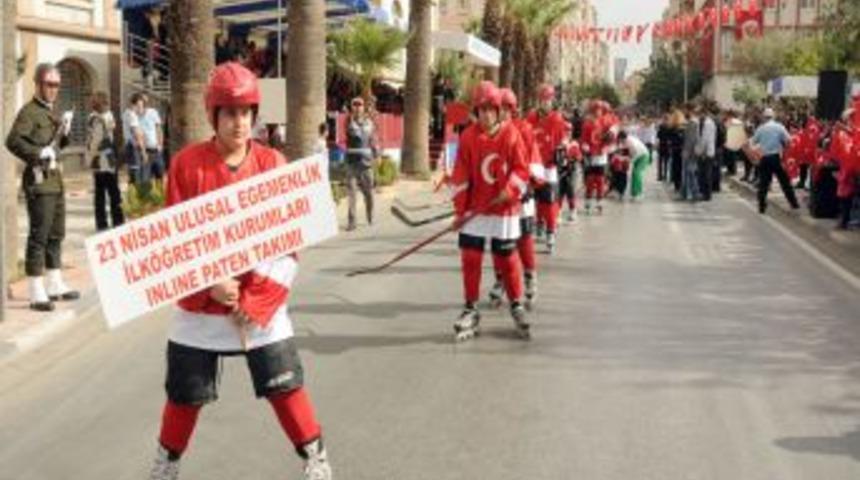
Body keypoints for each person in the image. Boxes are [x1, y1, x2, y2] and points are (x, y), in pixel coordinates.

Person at [147, 63, 332, 480]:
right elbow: (173, 244)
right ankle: (166, 465)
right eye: (230, 112)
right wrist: (208, 284)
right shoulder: (186, 165)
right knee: (184, 395)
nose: (239, 121)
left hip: (258, 308)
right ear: (214, 115)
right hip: (200, 309)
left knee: (286, 386)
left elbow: (288, 246)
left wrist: (257, 299)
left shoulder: (272, 162)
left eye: (246, 112)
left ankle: (315, 457)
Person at [449, 81, 530, 341]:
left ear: (497, 110)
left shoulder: (511, 134)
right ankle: (470, 308)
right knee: (470, 258)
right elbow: (460, 177)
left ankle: (516, 304)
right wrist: (459, 211)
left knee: (506, 258)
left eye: (490, 109)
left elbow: (521, 169)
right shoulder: (468, 137)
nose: (485, 114)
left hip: (503, 207)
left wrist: (511, 190)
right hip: (476, 207)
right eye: (481, 109)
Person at [5, 63, 80, 312]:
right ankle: (36, 290)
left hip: (55, 180)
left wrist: (65, 132)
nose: (53, 89)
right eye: (49, 84)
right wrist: (37, 152)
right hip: (39, 182)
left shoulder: (50, 112)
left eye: (57, 85)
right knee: (39, 235)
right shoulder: (29, 112)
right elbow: (12, 140)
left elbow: (57, 148)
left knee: (56, 233)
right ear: (37, 84)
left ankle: (55, 283)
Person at [489, 88, 543, 311]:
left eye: (501, 109)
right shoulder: (491, 132)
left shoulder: (524, 129)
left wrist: (529, 183)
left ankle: (529, 275)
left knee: (523, 237)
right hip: (499, 196)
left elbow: (533, 160)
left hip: (521, 193)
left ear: (511, 109)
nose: (497, 113)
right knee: (497, 239)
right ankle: (501, 279)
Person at [526, 84, 568, 254]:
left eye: (548, 99)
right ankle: (538, 223)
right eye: (542, 99)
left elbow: (564, 138)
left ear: (552, 100)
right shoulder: (531, 117)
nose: (545, 102)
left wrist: (563, 149)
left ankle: (550, 231)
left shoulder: (557, 119)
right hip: (534, 166)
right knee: (533, 199)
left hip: (550, 166)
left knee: (549, 201)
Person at [85, 91, 125, 232]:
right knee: (114, 191)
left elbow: (96, 140)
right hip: (107, 158)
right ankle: (118, 221)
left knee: (100, 192)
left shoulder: (95, 118)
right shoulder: (103, 118)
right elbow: (103, 138)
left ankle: (101, 223)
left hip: (99, 159)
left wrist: (89, 159)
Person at [749, 107, 800, 214]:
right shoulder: (779, 127)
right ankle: (794, 203)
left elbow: (753, 142)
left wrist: (759, 149)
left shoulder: (761, 128)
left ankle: (761, 206)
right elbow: (789, 140)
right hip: (776, 158)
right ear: (773, 116)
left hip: (764, 158)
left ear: (764, 117)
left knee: (764, 183)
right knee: (785, 182)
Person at [344, 97, 377, 231]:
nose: (357, 107)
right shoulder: (348, 121)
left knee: (368, 193)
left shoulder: (370, 123)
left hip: (366, 163)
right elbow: (348, 126)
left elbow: (373, 140)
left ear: (363, 107)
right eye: (355, 105)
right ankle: (352, 222)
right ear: (352, 107)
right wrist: (351, 115)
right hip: (352, 163)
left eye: (360, 105)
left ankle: (370, 215)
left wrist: (376, 155)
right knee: (352, 193)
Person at [139, 94, 166, 186]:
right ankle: (147, 198)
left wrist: (160, 145)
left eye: (145, 102)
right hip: (144, 151)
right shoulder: (134, 116)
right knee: (145, 178)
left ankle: (160, 197)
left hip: (155, 149)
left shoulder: (153, 112)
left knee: (160, 175)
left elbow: (158, 128)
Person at [123, 93, 148, 184]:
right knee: (136, 175)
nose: (140, 109)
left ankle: (132, 196)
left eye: (141, 106)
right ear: (133, 104)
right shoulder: (132, 115)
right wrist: (143, 152)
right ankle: (135, 196)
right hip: (134, 147)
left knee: (133, 174)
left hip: (129, 145)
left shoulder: (126, 113)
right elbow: (136, 134)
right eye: (138, 106)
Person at [619, 130, 651, 202]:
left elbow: (636, 153)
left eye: (620, 139)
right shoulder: (626, 141)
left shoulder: (630, 142)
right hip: (638, 156)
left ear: (622, 138)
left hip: (643, 156)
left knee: (637, 173)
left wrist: (630, 160)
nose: (620, 141)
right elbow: (626, 152)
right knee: (634, 174)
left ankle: (639, 193)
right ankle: (634, 193)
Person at [697, 106, 717, 201]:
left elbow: (705, 139)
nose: (699, 116)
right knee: (704, 174)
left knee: (706, 174)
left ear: (704, 113)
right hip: (707, 151)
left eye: (700, 114)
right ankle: (705, 193)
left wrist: (702, 152)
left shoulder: (708, 124)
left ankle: (707, 194)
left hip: (706, 153)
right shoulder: (707, 123)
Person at [681, 106, 701, 202]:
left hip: (691, 152)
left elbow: (691, 139)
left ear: (690, 111)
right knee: (687, 173)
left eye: (685, 110)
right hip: (689, 151)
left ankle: (694, 194)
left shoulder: (693, 123)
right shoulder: (690, 122)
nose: (684, 112)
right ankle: (686, 194)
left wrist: (686, 151)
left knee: (691, 173)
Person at [723, 110, 746, 178]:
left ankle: (731, 170)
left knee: (729, 157)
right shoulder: (739, 122)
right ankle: (733, 170)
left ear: (730, 115)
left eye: (727, 114)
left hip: (729, 141)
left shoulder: (729, 121)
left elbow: (725, 130)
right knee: (733, 156)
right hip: (735, 140)